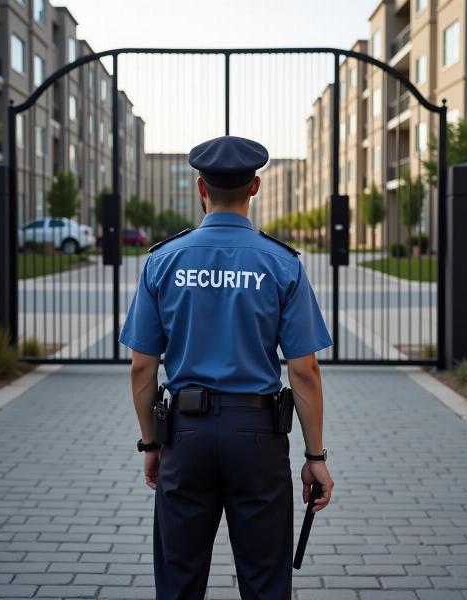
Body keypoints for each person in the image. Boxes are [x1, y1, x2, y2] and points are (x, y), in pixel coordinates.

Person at [118, 135, 335, 600]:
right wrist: (314, 457)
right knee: (264, 582)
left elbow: (141, 368)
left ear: (201, 188)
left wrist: (151, 443)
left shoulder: (163, 261)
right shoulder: (282, 263)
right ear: (255, 187)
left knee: (178, 583)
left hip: (186, 436)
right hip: (258, 439)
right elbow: (304, 372)